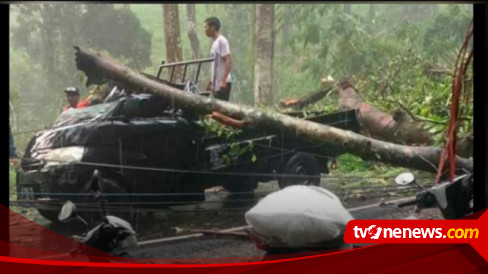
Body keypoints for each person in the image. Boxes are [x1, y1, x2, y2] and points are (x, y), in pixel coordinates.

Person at [204, 17, 233, 101]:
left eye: (206, 27)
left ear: (213, 27)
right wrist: (211, 82)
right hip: (216, 84)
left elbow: (228, 60)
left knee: (222, 111)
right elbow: (216, 65)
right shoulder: (215, 43)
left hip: (223, 83)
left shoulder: (221, 41)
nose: (204, 30)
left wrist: (223, 80)